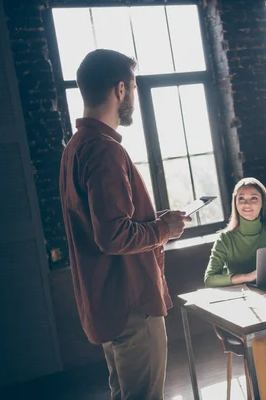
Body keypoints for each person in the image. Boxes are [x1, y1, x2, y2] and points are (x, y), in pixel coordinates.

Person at [59, 49, 190, 400]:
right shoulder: (105, 150)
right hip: (132, 303)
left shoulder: (75, 147)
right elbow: (114, 235)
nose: (133, 95)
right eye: (133, 86)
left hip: (107, 302)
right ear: (120, 90)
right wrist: (167, 229)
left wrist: (156, 220)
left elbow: (106, 225)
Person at [204, 177, 266, 400]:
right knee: (256, 343)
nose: (247, 204)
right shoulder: (225, 239)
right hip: (243, 310)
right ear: (235, 204)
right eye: (241, 199)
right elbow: (210, 278)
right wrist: (246, 277)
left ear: (263, 203)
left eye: (253, 199)